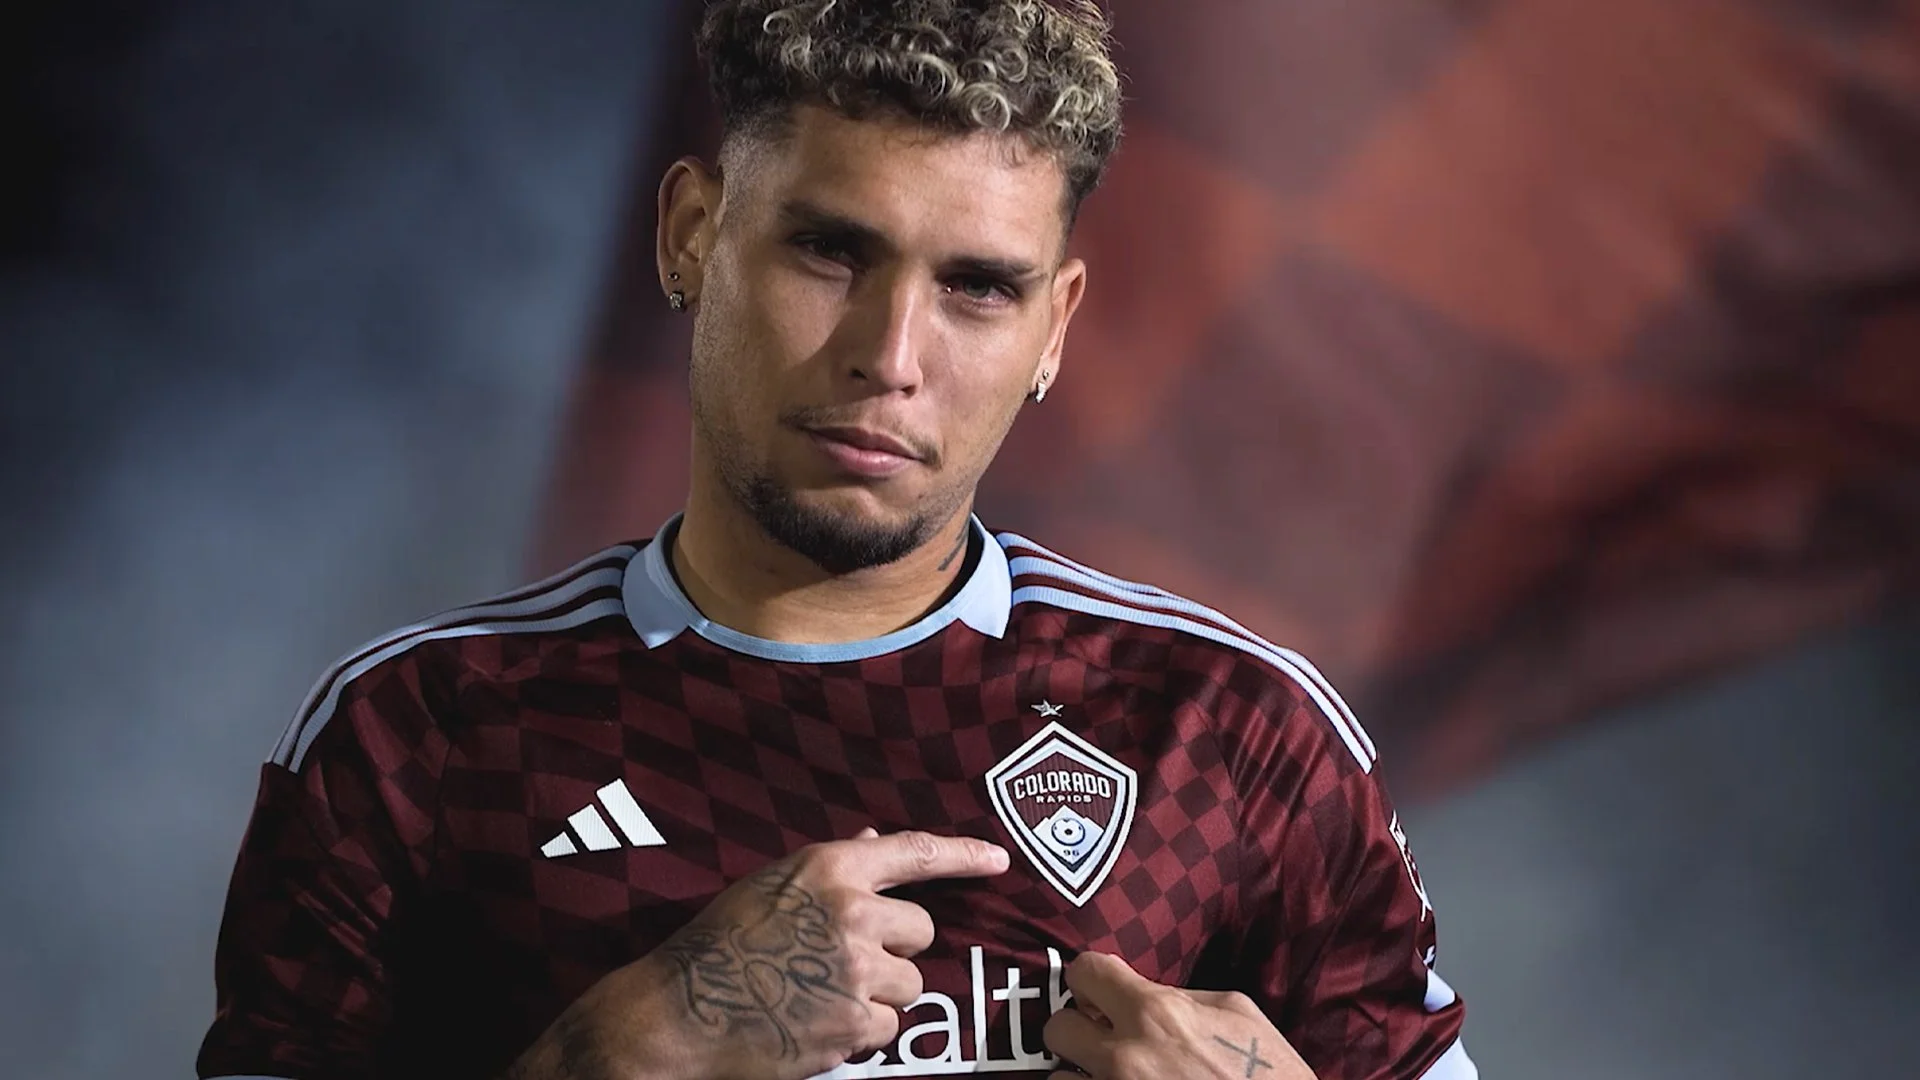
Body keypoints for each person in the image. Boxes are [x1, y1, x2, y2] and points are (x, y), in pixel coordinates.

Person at [196, 2, 1475, 1078]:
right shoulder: (417, 736)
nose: (891, 358)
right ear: (693, 233)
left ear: (1057, 328)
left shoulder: (1231, 729)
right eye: (828, 249)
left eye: (978, 286)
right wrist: (634, 1046)